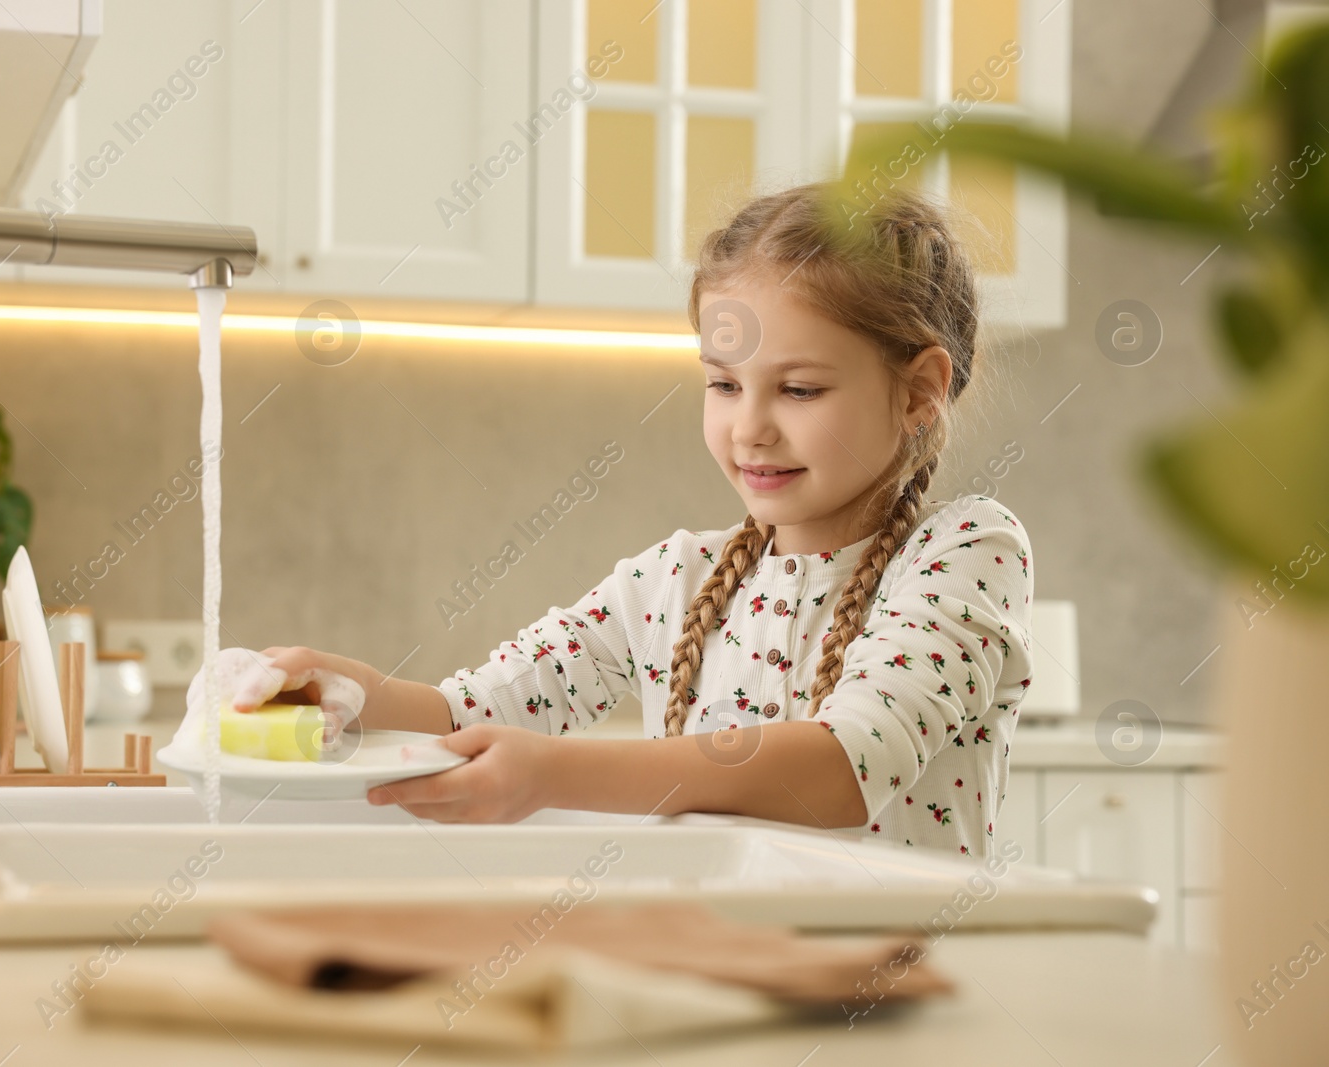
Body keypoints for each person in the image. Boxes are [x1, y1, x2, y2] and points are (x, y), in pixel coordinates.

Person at [246, 181, 1035, 858]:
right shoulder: (673, 578)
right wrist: (350, 690)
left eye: (798, 389)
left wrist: (556, 773)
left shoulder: (965, 550)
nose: (749, 427)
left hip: (904, 1013)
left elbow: (843, 768)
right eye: (723, 385)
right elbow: (471, 710)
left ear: (919, 392)